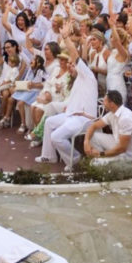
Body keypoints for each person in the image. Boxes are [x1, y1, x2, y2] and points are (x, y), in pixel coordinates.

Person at [35, 23, 98, 170]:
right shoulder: (76, 79)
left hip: (85, 119)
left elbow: (75, 54)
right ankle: (49, 156)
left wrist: (65, 37)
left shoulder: (87, 76)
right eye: (68, 65)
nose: (70, 66)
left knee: (56, 136)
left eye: (72, 64)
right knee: (49, 122)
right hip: (72, 114)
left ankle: (74, 159)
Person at [83, 90, 132, 163]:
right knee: (93, 137)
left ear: (112, 104)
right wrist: (86, 141)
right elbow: (94, 126)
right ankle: (103, 159)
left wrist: (101, 154)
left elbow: (122, 148)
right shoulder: (112, 114)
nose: (103, 103)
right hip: (118, 144)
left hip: (130, 156)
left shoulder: (125, 118)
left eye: (104, 101)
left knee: (95, 164)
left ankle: (103, 160)